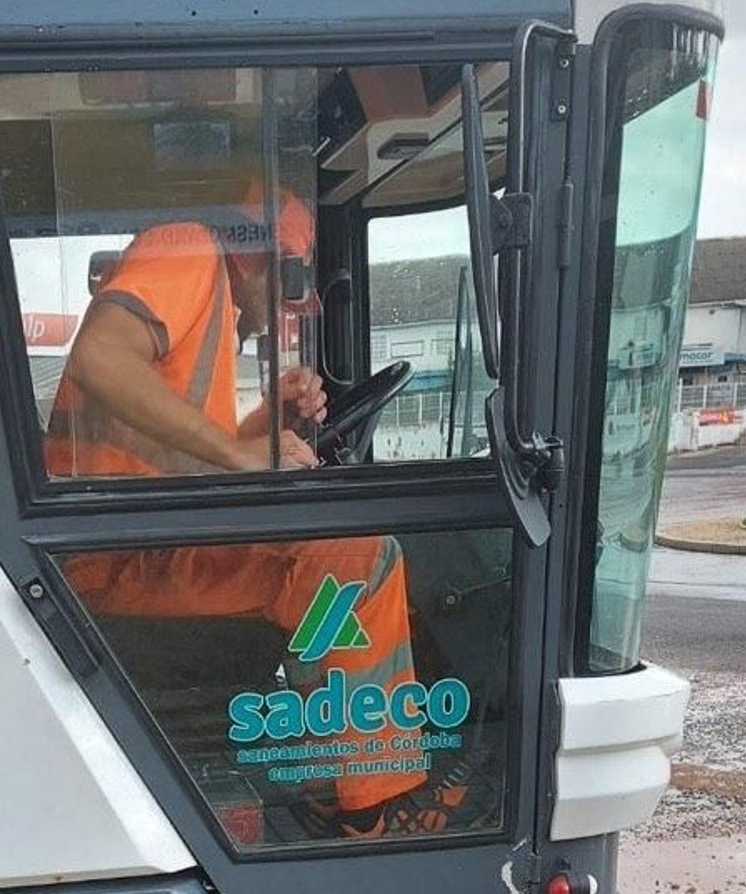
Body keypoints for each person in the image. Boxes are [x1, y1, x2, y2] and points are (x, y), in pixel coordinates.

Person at [43, 189, 469, 841]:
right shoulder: (185, 247)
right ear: (258, 256)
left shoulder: (204, 302)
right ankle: (371, 811)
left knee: (325, 569)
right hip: (111, 560)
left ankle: (334, 778)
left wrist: (269, 419)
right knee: (359, 559)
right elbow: (99, 356)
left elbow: (191, 463)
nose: (295, 305)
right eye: (294, 278)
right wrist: (243, 454)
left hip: (135, 544)